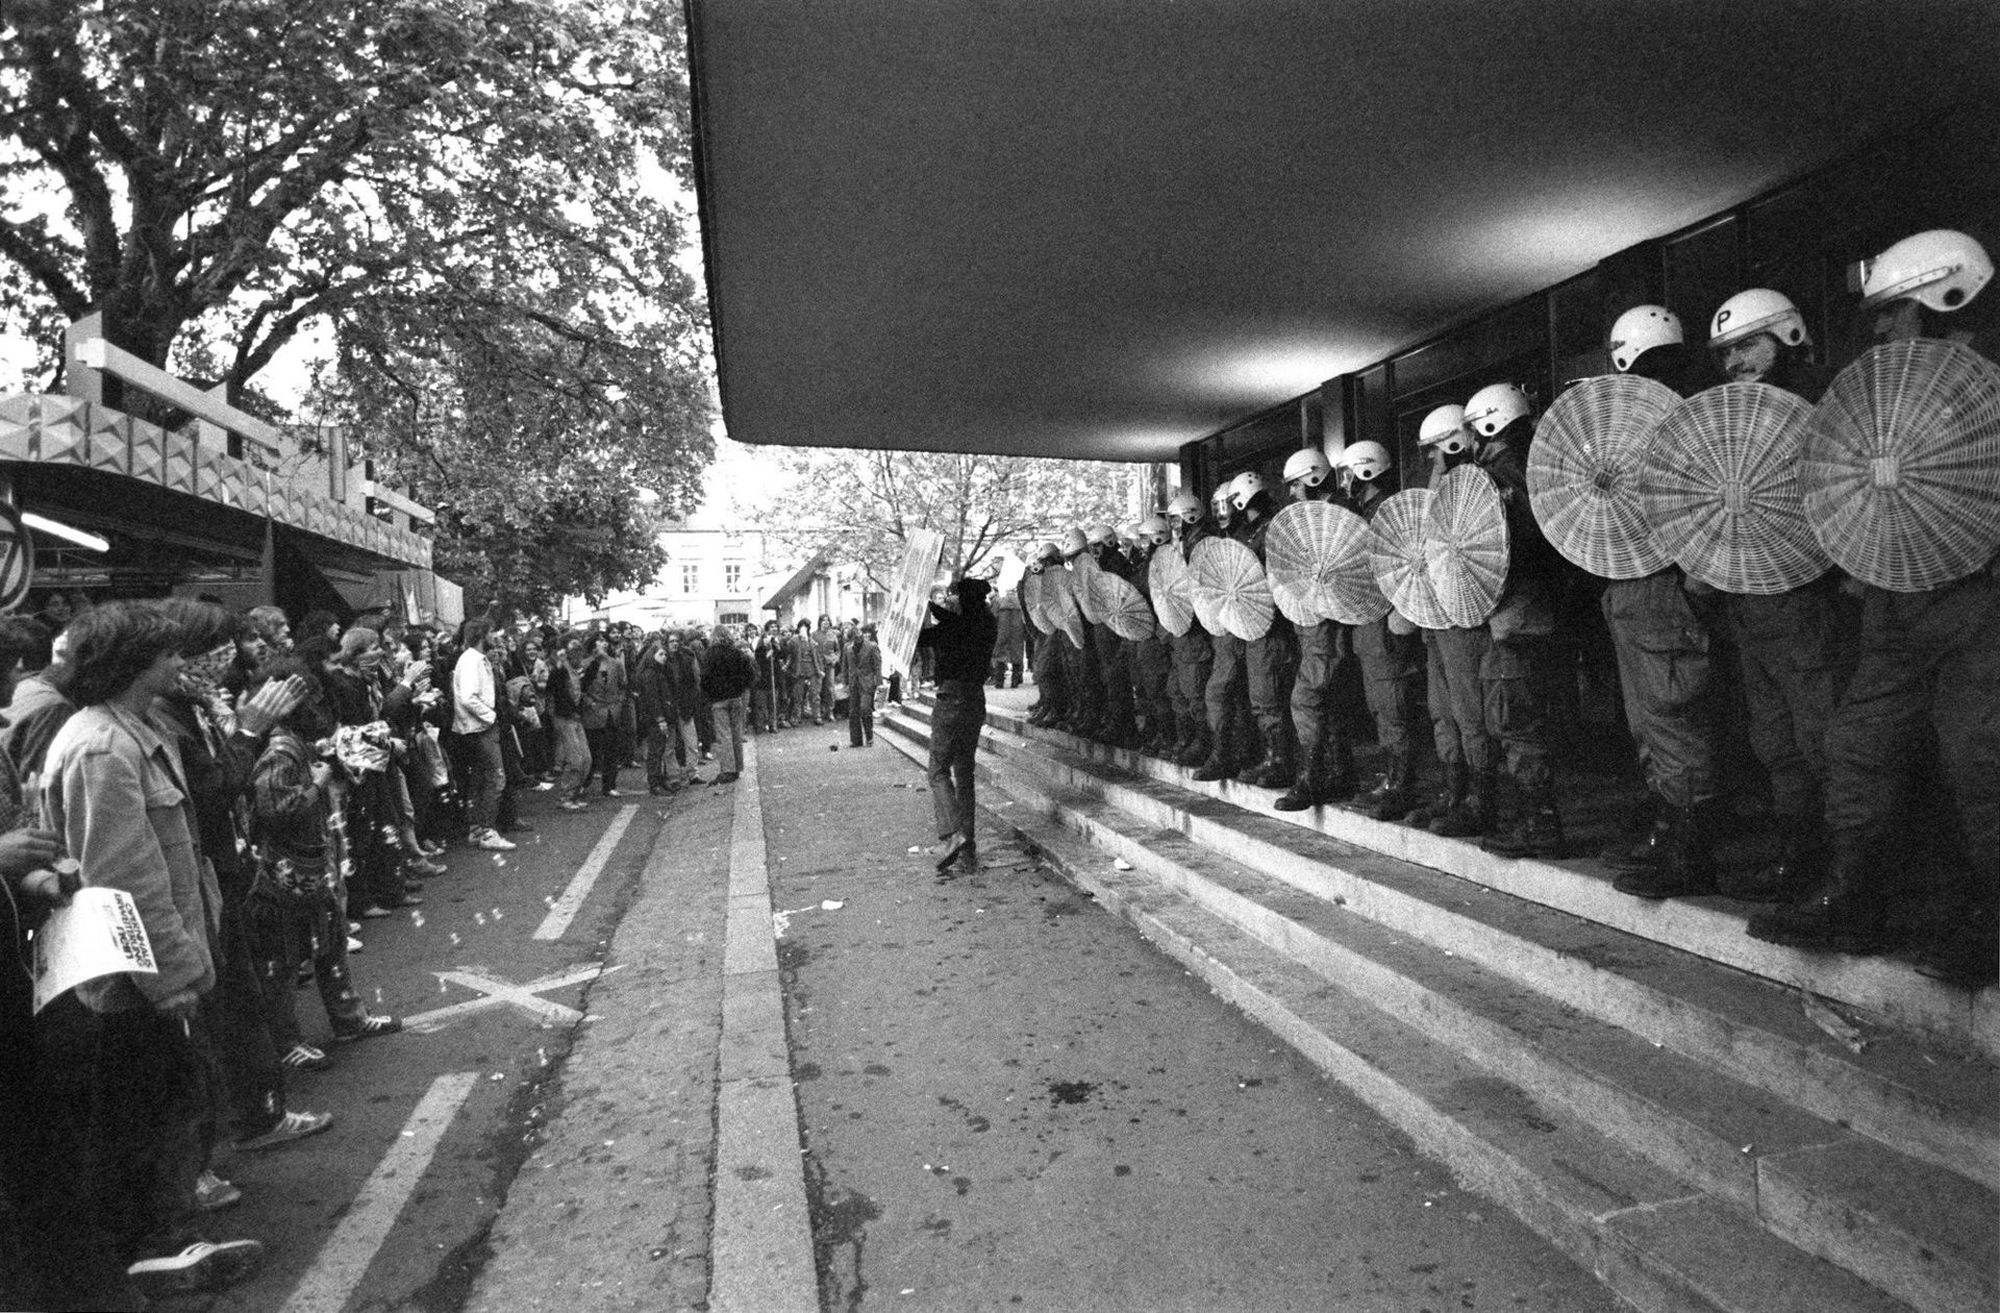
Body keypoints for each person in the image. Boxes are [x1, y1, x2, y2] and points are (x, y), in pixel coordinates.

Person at [1751, 228, 1998, 986]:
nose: (1882, 329)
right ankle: (1853, 897)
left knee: (1979, 758)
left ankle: (1985, 916)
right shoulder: (1896, 390)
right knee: (1857, 743)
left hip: (1979, 602)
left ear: (1945, 294)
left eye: (1895, 312)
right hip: (1898, 599)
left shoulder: (1988, 384)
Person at [36, 602, 266, 1298]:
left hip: (153, 963)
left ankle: (159, 1233)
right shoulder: (103, 747)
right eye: (165, 655)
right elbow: (124, 879)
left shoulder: (132, 733)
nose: (178, 664)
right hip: (129, 977)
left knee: (165, 1097)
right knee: (146, 1107)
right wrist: (171, 976)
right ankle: (151, 1243)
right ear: (134, 664)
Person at [1699, 288, 1852, 899]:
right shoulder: (1733, 418)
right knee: (1775, 738)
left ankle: (1843, 866)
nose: (1733, 361)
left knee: (1822, 735)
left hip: (1806, 594)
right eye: (1726, 351)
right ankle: (1799, 853)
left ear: (1787, 336)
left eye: (1746, 344)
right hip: (1749, 595)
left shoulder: (1824, 404)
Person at [1594, 306, 1728, 899]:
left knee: (1670, 719)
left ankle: (1689, 849)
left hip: (1660, 586)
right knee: (1655, 719)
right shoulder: (1687, 412)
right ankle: (1673, 831)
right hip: (1648, 583)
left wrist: (1694, 583)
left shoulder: (1670, 420)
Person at [1405, 404, 1497, 838]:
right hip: (1437, 616)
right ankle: (1454, 788)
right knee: (1444, 710)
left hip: (1463, 617)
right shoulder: (1444, 487)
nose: (1430, 458)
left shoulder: (1473, 488)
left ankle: (1480, 797)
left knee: (1468, 710)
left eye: (1434, 449)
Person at [1336, 440, 1430, 820]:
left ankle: (1400, 784)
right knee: (1382, 705)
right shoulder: (1367, 512)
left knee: (1393, 705)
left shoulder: (1387, 514)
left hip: (1386, 623)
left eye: (1349, 474)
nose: (1345, 483)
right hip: (1371, 623)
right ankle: (1394, 779)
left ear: (1366, 471)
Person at [1274, 448, 1355, 811]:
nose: (1292, 493)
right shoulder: (1330, 515)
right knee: (1329, 702)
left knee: (1306, 699)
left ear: (1312, 479)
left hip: (1325, 623)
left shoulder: (1336, 517)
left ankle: (1310, 780)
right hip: (1318, 624)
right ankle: (1338, 774)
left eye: (1295, 485)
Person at [917, 577, 998, 872]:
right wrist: (933, 607)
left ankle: (953, 834)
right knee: (965, 771)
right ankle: (969, 837)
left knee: (938, 770)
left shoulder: (953, 627)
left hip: (950, 698)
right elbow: (955, 620)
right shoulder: (987, 624)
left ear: (962, 599)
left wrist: (920, 605)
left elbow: (923, 637)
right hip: (975, 700)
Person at [1162, 492, 1216, 767]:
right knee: (1181, 690)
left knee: (1196, 692)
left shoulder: (1201, 544)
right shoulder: (1187, 544)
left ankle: (1203, 743)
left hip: (1196, 632)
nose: (1173, 525)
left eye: (1176, 518)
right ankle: (1194, 740)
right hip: (1186, 631)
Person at [453, 617, 515, 850]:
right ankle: (488, 831)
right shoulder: (472, 661)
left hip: (477, 727)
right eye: (491, 633)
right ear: (481, 635)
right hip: (480, 728)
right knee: (496, 778)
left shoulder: (475, 659)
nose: (495, 638)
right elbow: (469, 696)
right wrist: (490, 716)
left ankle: (477, 829)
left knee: (480, 780)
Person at [544, 632, 597, 809]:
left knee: (586, 759)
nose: (578, 654)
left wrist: (596, 660)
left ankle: (573, 794)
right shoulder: (560, 670)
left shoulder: (575, 670)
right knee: (575, 759)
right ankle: (565, 797)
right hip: (564, 718)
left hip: (575, 718)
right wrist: (559, 664)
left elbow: (585, 683)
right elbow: (554, 687)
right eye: (574, 650)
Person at [700, 625, 755, 784]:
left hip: (719, 699)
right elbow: (749, 673)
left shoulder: (710, 654)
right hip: (736, 697)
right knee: (736, 733)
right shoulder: (736, 652)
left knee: (724, 735)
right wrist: (739, 687)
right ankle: (737, 767)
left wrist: (710, 694)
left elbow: (705, 679)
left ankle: (728, 769)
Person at [848, 622, 882, 746]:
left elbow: (877, 665)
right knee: (853, 712)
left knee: (865, 708)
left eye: (859, 634)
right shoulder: (848, 649)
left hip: (867, 683)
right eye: (854, 636)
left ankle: (869, 736)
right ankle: (856, 740)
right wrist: (846, 682)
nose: (857, 637)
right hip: (854, 683)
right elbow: (846, 667)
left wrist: (879, 683)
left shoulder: (872, 646)